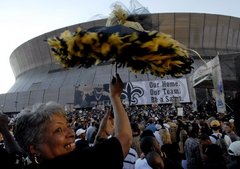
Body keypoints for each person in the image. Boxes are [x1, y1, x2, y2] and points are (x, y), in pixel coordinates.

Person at [14, 73, 132, 169]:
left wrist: (101, 133)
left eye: (68, 126)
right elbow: (125, 139)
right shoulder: (76, 162)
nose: (71, 133)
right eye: (58, 130)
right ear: (34, 148)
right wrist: (115, 97)